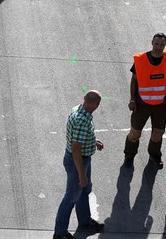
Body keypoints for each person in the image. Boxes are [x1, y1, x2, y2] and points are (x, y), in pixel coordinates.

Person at [53, 91, 105, 239]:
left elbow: (77, 137)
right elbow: (76, 149)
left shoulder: (77, 109)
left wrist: (93, 141)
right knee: (71, 197)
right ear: (97, 105)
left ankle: (85, 221)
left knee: (84, 190)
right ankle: (60, 233)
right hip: (78, 161)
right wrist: (81, 175)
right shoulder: (82, 121)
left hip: (81, 159)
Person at [124, 33, 166, 169]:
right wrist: (132, 99)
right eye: (156, 44)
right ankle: (129, 155)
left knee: (158, 132)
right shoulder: (140, 60)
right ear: (152, 42)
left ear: (165, 44)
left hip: (161, 105)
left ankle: (154, 155)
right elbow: (134, 80)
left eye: (162, 44)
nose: (159, 47)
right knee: (135, 132)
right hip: (141, 104)